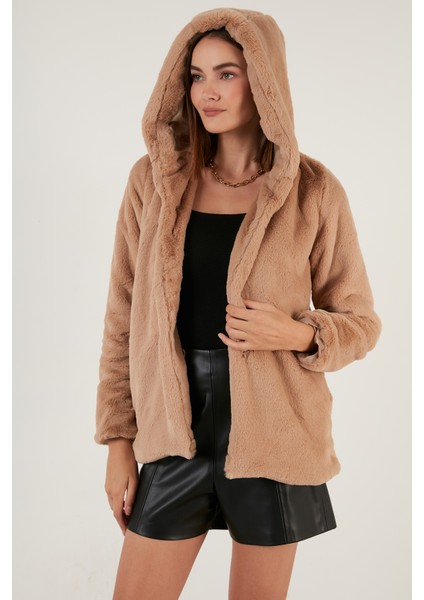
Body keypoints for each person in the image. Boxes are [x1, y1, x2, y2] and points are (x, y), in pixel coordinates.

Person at [95, 8, 382, 599]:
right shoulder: (153, 182)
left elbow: (361, 322)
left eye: (227, 73)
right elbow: (122, 320)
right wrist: (119, 443)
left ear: (264, 80)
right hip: (174, 432)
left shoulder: (313, 190)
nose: (208, 92)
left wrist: (299, 334)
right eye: (196, 76)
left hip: (274, 436)